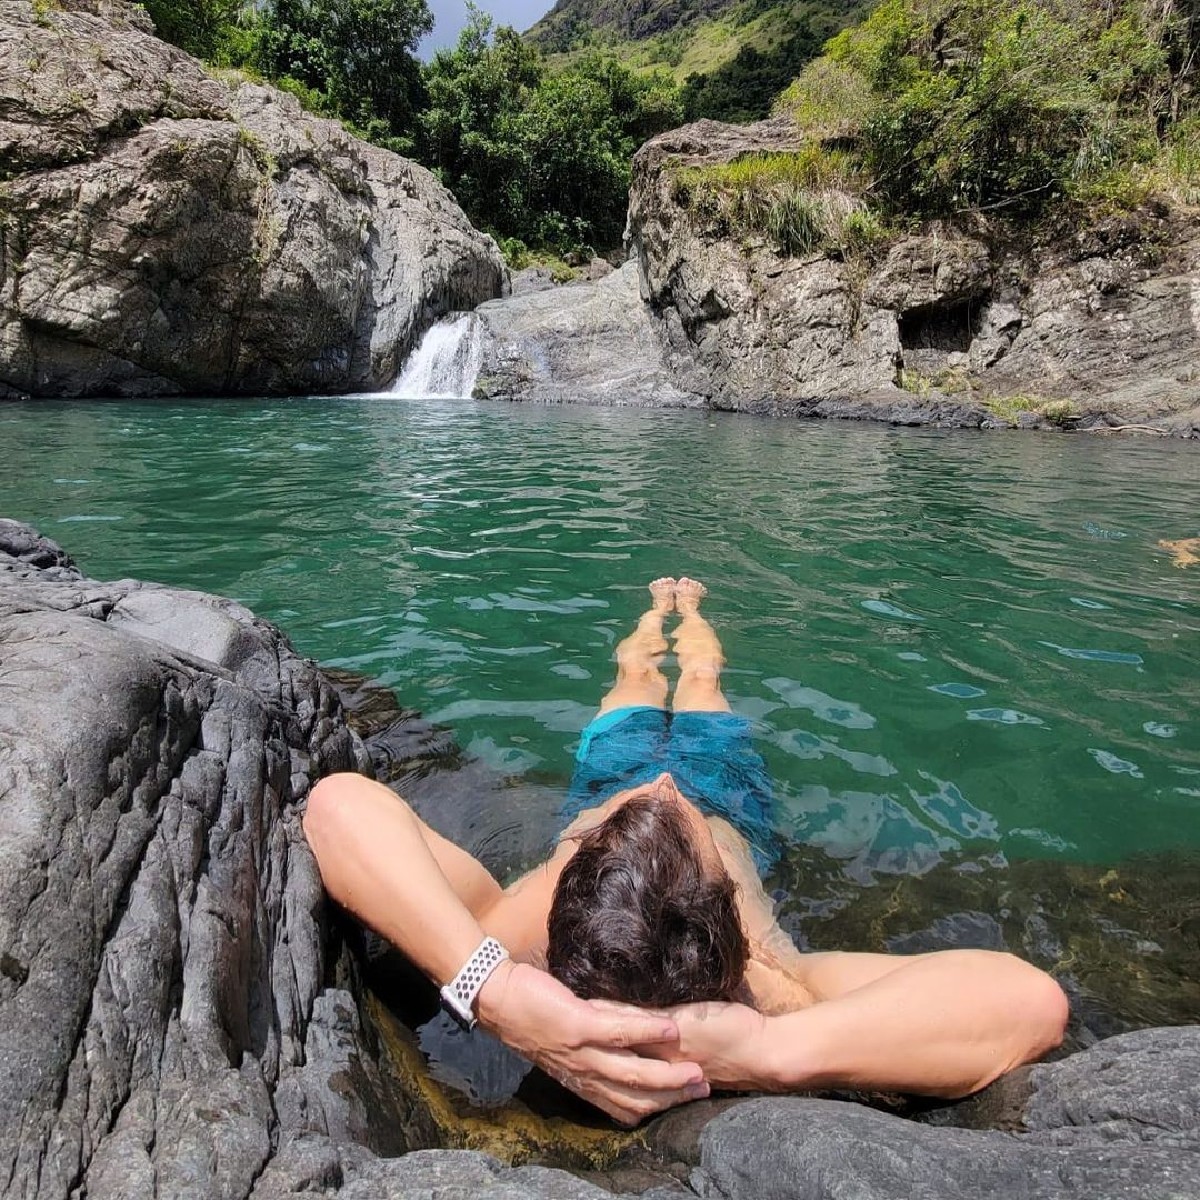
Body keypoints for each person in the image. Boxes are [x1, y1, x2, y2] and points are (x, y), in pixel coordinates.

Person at [303, 578, 1068, 1125]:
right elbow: (1030, 1003)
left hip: (606, 779)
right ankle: (672, 612)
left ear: (571, 885)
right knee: (691, 679)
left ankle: (675, 607)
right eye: (678, 824)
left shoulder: (515, 934)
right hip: (726, 792)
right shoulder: (771, 979)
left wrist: (491, 990)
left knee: (639, 679)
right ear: (733, 914)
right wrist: (772, 1049)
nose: (664, 784)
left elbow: (338, 806)